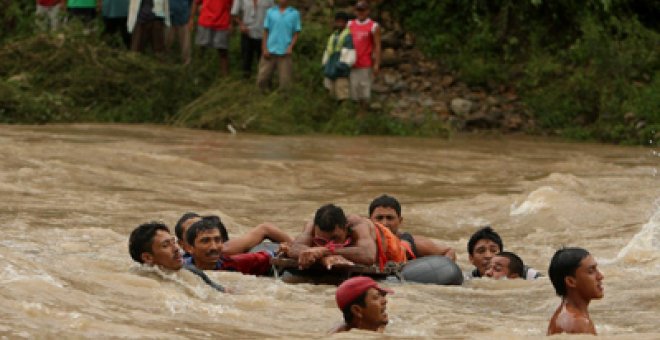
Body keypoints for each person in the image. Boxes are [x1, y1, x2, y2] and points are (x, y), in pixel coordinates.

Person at [283, 204, 407, 271]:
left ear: (346, 228)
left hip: (393, 250)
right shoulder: (312, 225)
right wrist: (323, 258)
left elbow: (368, 255)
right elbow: (295, 248)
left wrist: (323, 250)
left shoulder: (358, 225)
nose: (328, 243)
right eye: (322, 241)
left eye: (335, 239)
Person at [128, 221, 226, 292]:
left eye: (173, 242)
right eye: (166, 245)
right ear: (148, 258)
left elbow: (223, 292)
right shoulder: (138, 284)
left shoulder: (192, 271)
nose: (176, 248)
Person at [368, 194, 456, 261]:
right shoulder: (360, 242)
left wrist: (441, 267)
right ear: (369, 221)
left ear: (400, 220)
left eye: (390, 218)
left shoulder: (417, 245)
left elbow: (449, 251)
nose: (384, 223)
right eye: (379, 218)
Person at [174, 212, 292, 258]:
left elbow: (265, 229)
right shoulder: (180, 261)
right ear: (183, 245)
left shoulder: (225, 249)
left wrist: (298, 249)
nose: (200, 230)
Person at [184, 218, 274, 275]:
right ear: (189, 248)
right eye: (205, 241)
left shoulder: (233, 263)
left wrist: (284, 251)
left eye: (217, 240)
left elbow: (270, 257)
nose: (214, 247)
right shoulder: (181, 268)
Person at [547, 247, 604, 335]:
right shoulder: (578, 323)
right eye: (591, 271)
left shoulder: (566, 316)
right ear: (571, 281)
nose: (600, 276)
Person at [256, 0, 301, 91]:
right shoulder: (271, 12)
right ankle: (263, 95)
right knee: (262, 78)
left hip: (285, 51)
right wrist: (264, 48)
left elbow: (296, 32)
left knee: (285, 82)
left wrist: (290, 46)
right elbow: (266, 31)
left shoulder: (294, 13)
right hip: (270, 49)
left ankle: (283, 99)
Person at [466, 226, 541, 280]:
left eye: (493, 250)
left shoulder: (530, 275)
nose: (488, 256)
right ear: (471, 258)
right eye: (481, 251)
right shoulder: (467, 280)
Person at [347, 1, 381, 106]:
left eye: (363, 10)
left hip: (365, 63)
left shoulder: (373, 26)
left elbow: (377, 45)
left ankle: (363, 113)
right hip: (352, 63)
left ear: (368, 11)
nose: (360, 12)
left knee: (364, 92)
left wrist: (377, 63)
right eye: (358, 10)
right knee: (353, 91)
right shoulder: (350, 24)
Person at [231, 0, 274, 79]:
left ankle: (263, 82)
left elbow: (273, 14)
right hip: (247, 33)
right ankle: (245, 81)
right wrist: (241, 25)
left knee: (263, 60)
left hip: (263, 34)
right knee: (246, 60)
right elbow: (234, 13)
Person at [190, 0, 233, 75]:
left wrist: (231, 24)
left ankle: (225, 78)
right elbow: (195, 2)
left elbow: (232, 7)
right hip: (205, 21)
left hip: (222, 23)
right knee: (201, 50)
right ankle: (196, 75)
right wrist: (191, 18)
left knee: (223, 52)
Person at [321, 11, 355, 101]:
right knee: (330, 93)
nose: (339, 23)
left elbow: (350, 54)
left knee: (342, 94)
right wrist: (325, 64)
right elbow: (328, 51)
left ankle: (343, 113)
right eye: (338, 21)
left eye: (342, 21)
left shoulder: (348, 36)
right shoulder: (333, 35)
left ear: (346, 23)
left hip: (341, 71)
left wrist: (342, 66)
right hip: (330, 68)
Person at [166, 0, 192, 64]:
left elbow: (191, 3)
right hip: (168, 17)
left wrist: (190, 17)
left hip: (183, 17)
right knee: (167, 40)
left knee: (185, 42)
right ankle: (165, 60)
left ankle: (186, 63)